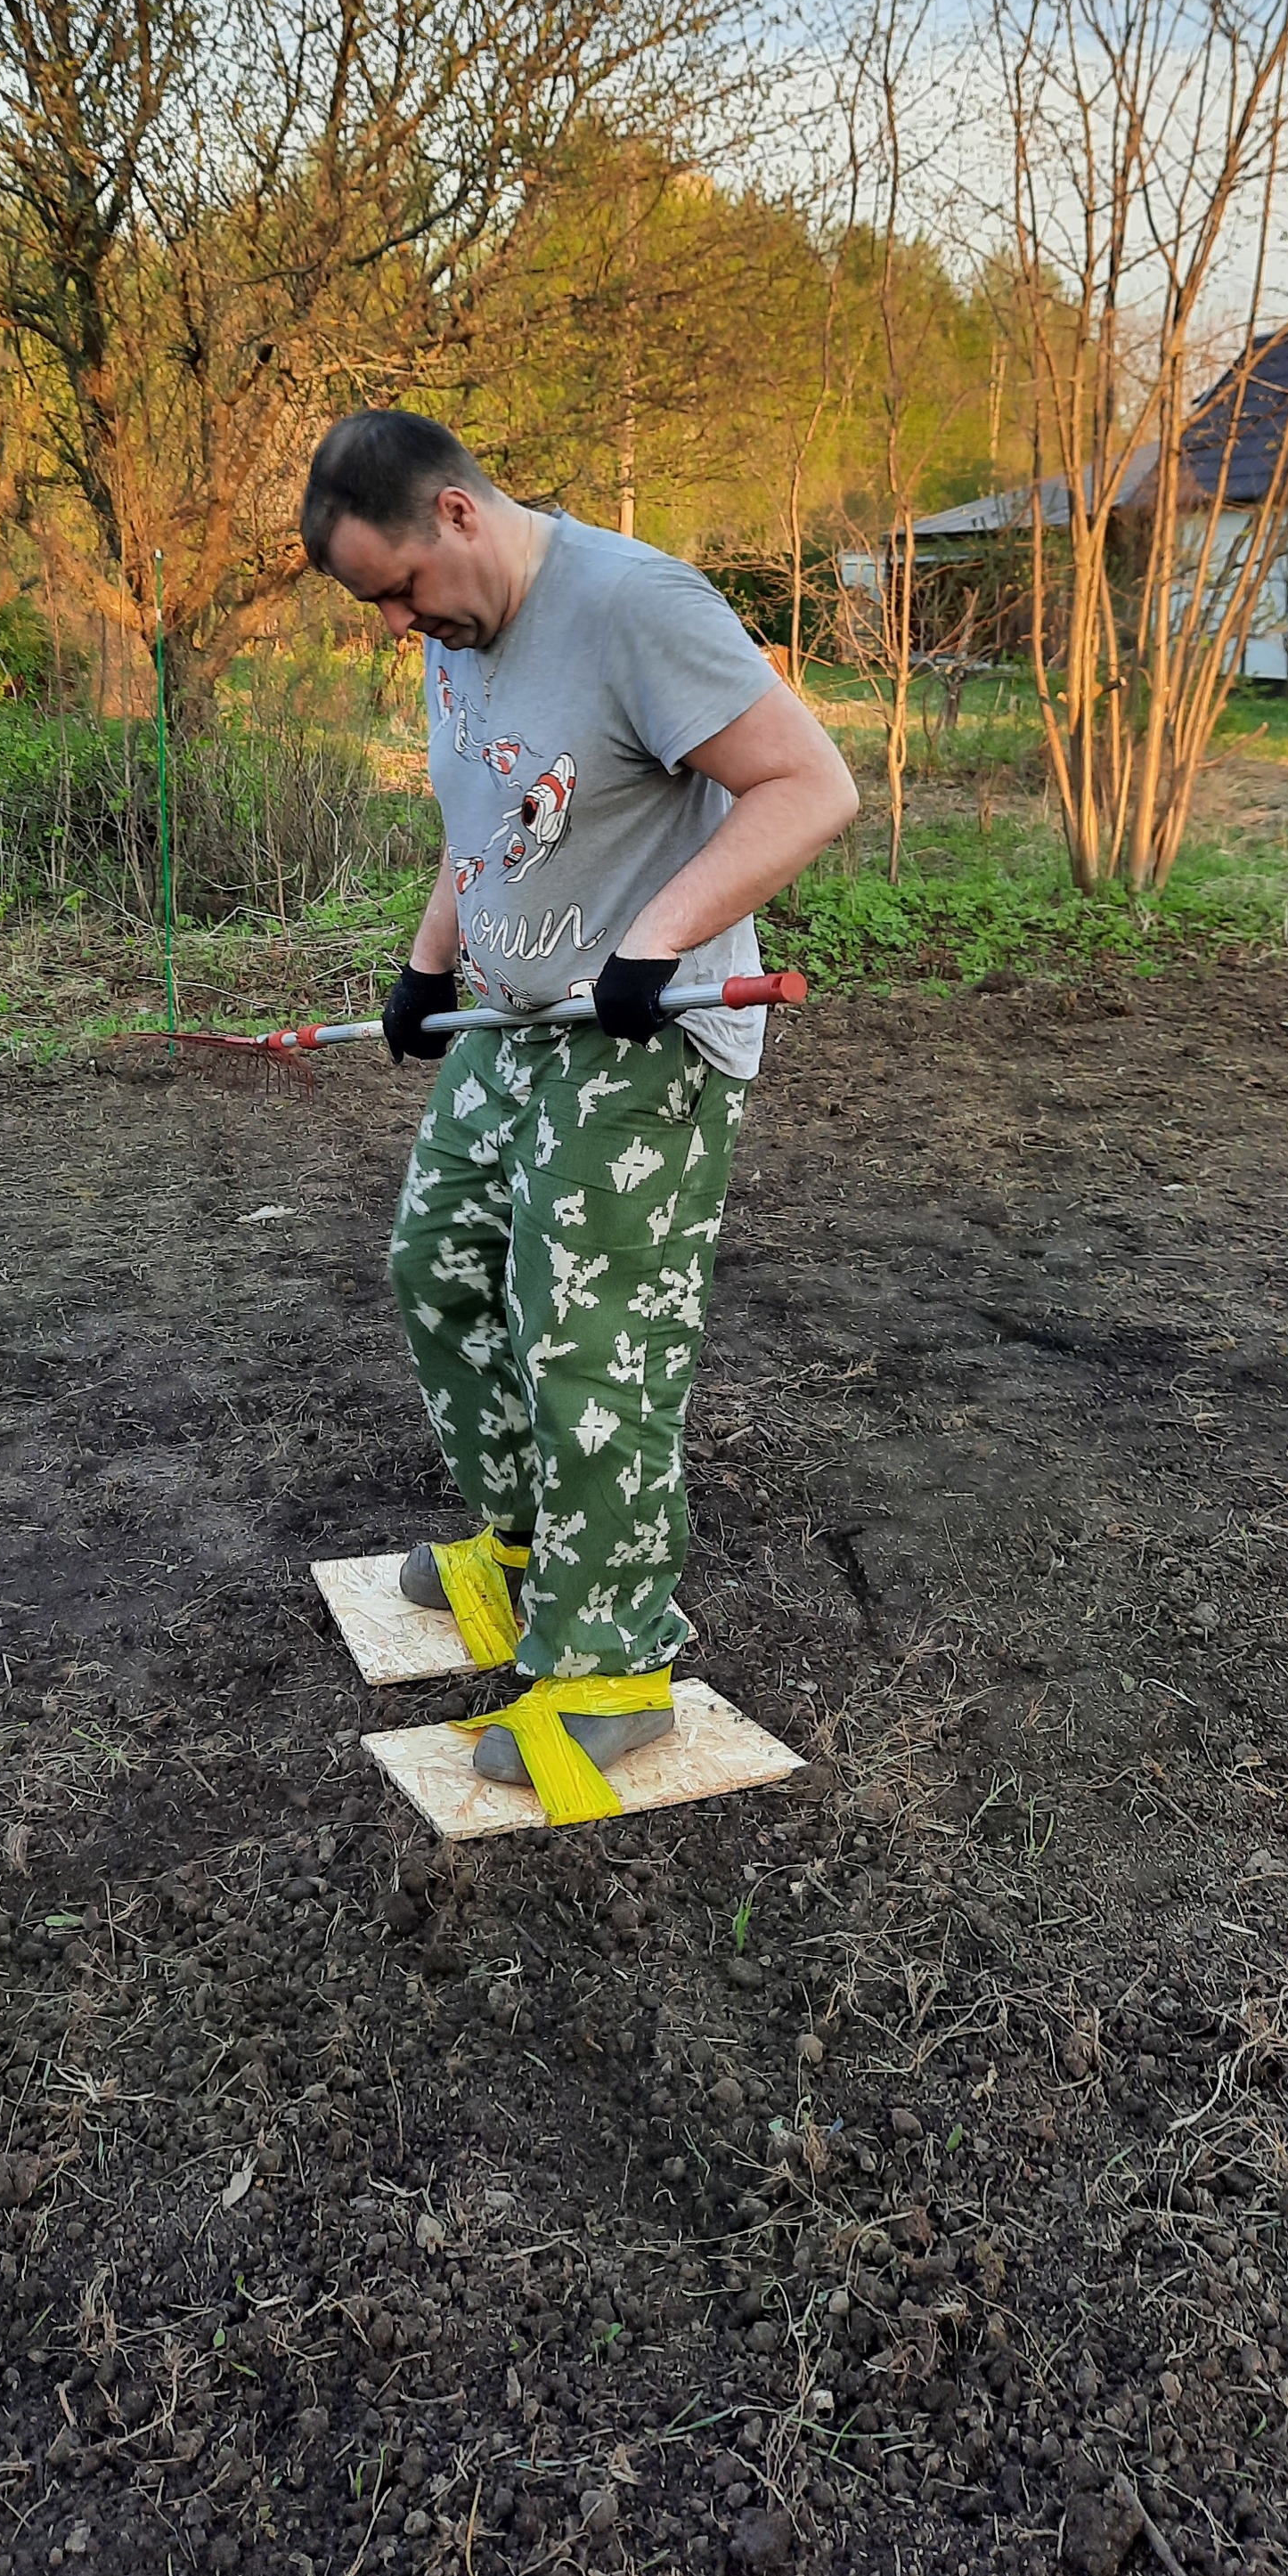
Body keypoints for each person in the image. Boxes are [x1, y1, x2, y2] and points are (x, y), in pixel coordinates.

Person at [301, 406, 857, 1821]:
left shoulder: (632, 606)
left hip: (647, 1034)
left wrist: (657, 943)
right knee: (436, 1264)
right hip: (521, 1019)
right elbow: (483, 820)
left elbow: (810, 785)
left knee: (586, 1330)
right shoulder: (459, 636)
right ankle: (530, 1551)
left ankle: (612, 1666)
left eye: (402, 588)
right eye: (379, 607)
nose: (400, 624)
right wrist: (427, 967)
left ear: (460, 517)